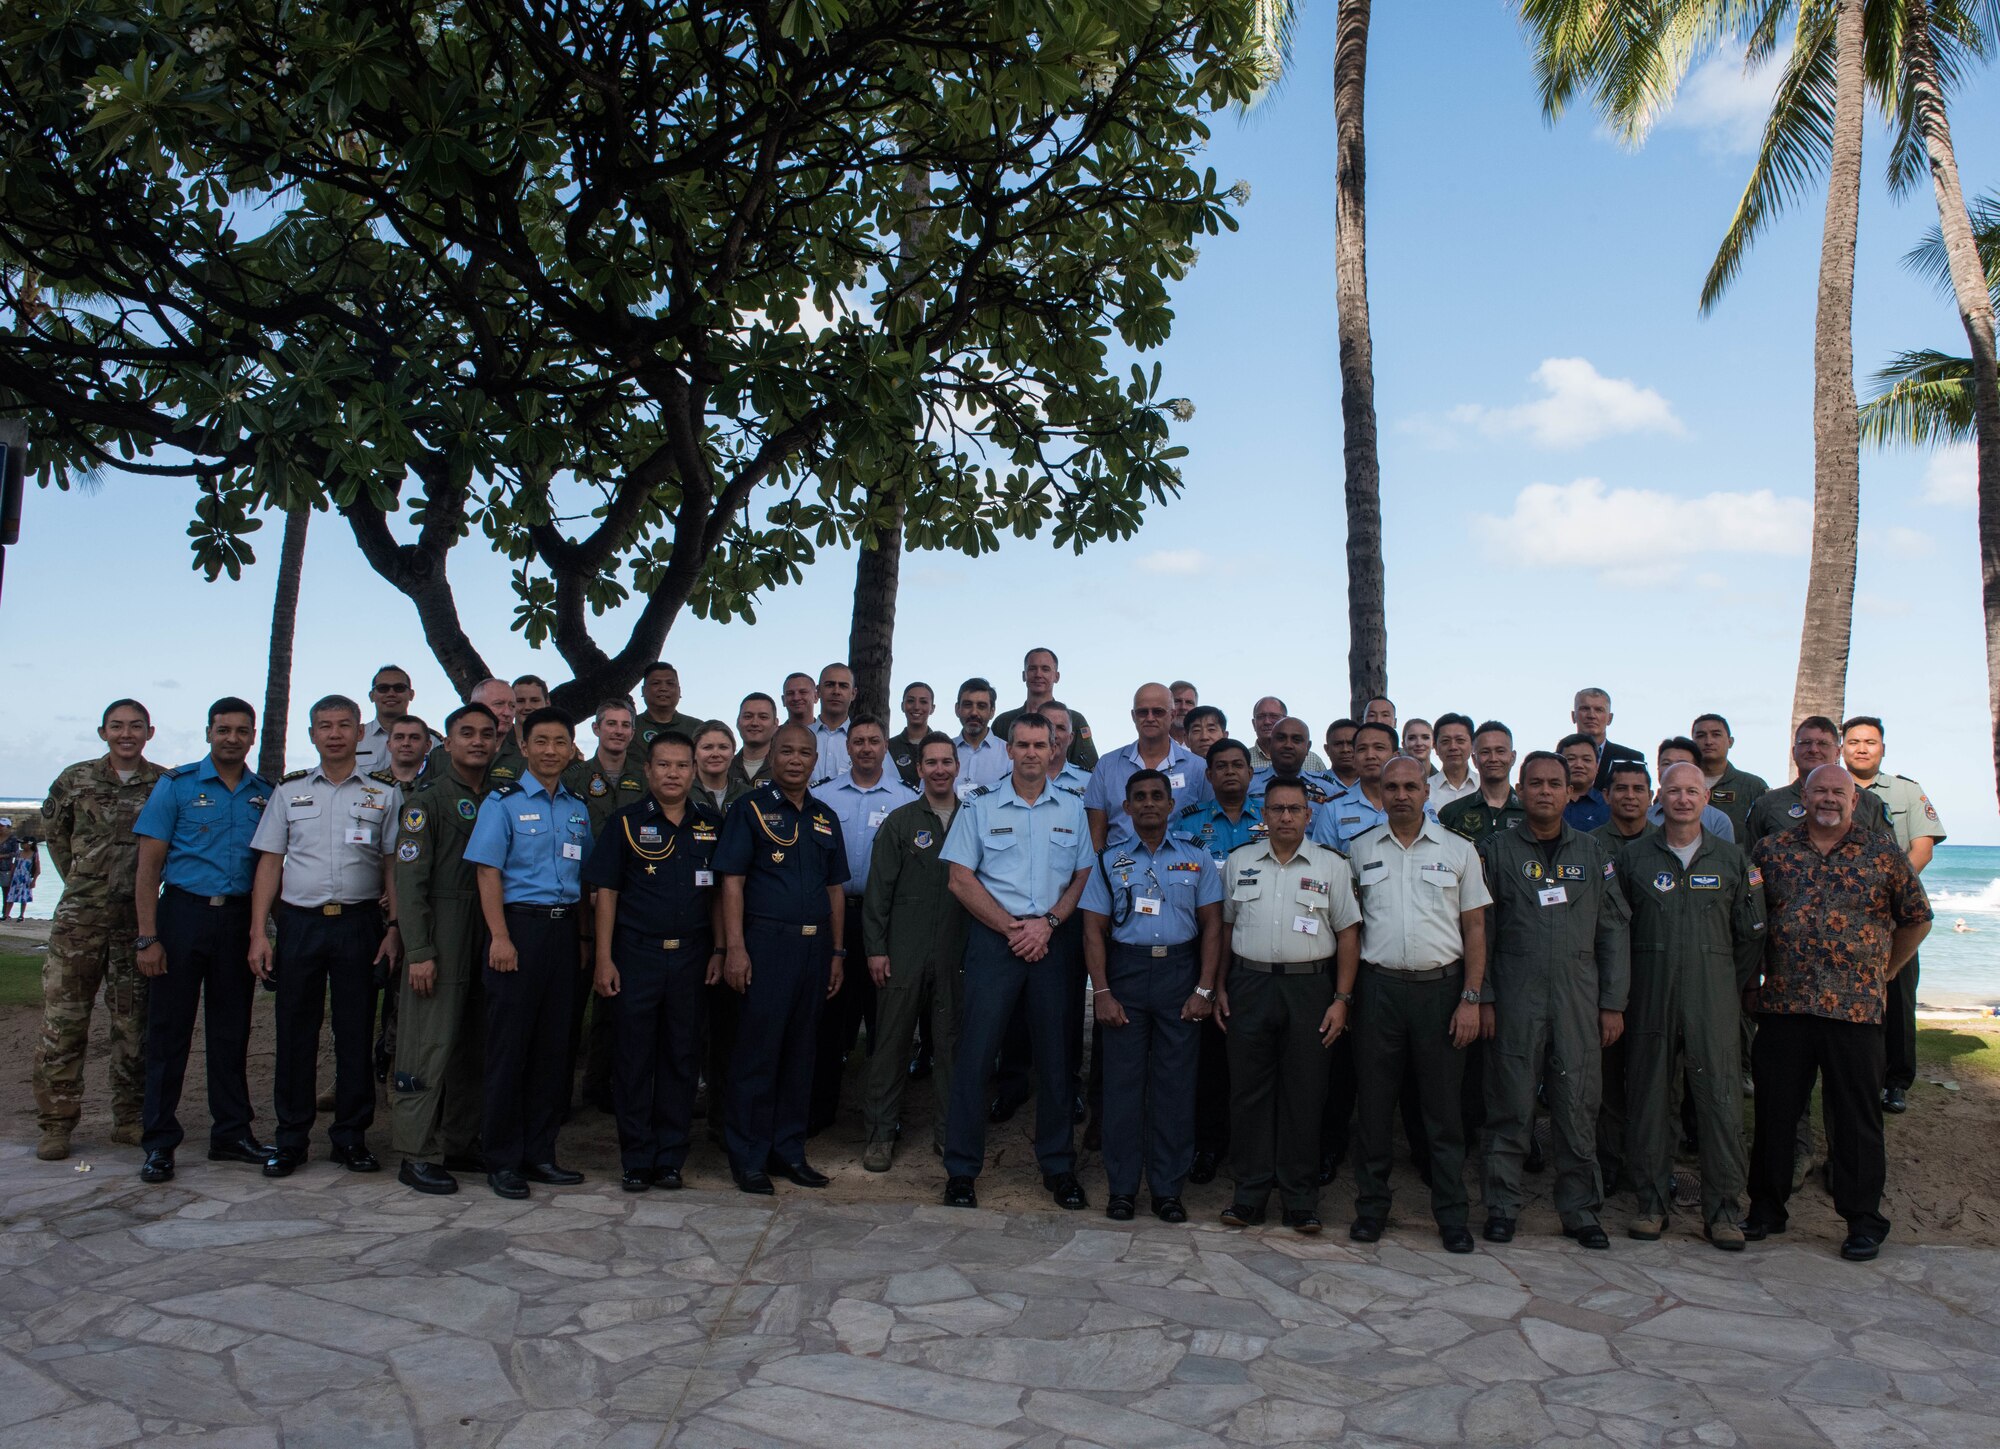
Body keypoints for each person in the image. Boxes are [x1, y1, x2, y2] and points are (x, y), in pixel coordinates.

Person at [1746, 764, 1932, 1261]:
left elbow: (1917, 919)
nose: (1828, 799)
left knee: (1856, 1119)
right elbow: (1749, 918)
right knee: (1776, 1112)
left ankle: (1862, 1220)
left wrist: (1887, 972)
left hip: (1855, 1010)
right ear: (1803, 796)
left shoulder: (1882, 853)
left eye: (1838, 792)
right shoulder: (1771, 851)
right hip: (1784, 1005)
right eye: (1819, 791)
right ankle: (1766, 1209)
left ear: (1854, 800)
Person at [938, 711, 1093, 1211]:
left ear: (1054, 750)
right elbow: (960, 878)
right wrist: (1012, 928)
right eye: (1021, 745)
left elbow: (1082, 876)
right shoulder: (979, 808)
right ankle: (961, 1170)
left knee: (1055, 1060)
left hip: (1051, 942)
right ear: (1008, 750)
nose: (1030, 753)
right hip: (995, 942)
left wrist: (1046, 925)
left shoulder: (1071, 808)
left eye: (1039, 745)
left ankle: (1058, 1166)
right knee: (977, 1055)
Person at [1479, 751, 1630, 1249]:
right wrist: (1484, 998)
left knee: (1577, 1106)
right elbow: (1482, 931)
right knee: (1510, 1105)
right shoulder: (1496, 851)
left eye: (1555, 784)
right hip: (1516, 997)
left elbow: (1613, 930)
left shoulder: (1592, 853)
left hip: (1578, 1001)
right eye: (1536, 783)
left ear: (1570, 792)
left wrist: (1612, 1003)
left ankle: (1581, 1210)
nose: (1545, 791)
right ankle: (1501, 1206)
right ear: (1520, 790)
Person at [249, 695, 404, 1178]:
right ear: (312, 734)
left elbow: (393, 863)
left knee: (355, 1034)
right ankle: (291, 1140)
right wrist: (259, 932)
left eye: (344, 725)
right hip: (300, 925)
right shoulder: (289, 791)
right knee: (295, 1033)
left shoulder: (384, 793)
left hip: (360, 925)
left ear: (361, 734)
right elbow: (270, 861)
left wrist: (394, 928)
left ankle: (350, 1138)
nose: (334, 733)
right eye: (324, 726)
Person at [1615, 762, 1766, 1249]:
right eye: (1674, 791)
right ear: (1661, 798)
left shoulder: (1733, 860)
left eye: (1692, 792)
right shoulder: (1635, 858)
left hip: (1713, 999)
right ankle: (1651, 1204)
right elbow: (1615, 932)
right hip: (1649, 997)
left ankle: (1723, 1211)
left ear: (1706, 799)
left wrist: (1723, 980)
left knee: (1720, 1103)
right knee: (1649, 1101)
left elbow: (1751, 937)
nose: (1683, 799)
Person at [1345, 756, 1491, 1254]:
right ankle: (1371, 1209)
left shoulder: (1458, 850)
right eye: (1392, 787)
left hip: (1441, 992)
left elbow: (1475, 928)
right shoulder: (1358, 850)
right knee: (1375, 1107)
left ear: (1427, 793)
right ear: (1380, 793)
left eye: (1411, 785)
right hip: (1378, 991)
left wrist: (1471, 998)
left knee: (1443, 1112)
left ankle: (1451, 1215)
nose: (1402, 794)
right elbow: (1350, 927)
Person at [131, 698, 273, 1184]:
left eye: (241, 730)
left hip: (236, 921)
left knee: (232, 1032)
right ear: (208, 732)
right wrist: (148, 937)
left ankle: (231, 1133)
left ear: (253, 736)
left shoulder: (264, 794)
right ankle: (159, 1142)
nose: (231, 737)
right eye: (223, 729)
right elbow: (149, 868)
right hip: (183, 915)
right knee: (168, 1034)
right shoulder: (177, 786)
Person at [1217, 777, 1360, 1235]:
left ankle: (1300, 1200)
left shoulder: (1332, 865)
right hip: (1249, 986)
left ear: (1308, 814)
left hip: (1309, 991)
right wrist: (1217, 986)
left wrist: (1342, 999)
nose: (1284, 817)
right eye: (1276, 809)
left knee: (1304, 1094)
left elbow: (1347, 935)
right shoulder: (1239, 862)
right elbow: (1224, 929)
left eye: (1293, 809)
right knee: (1248, 1094)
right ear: (1264, 812)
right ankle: (1250, 1196)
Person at [1080, 770, 1223, 1224]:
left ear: (1170, 805)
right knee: (1122, 1088)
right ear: (1126, 807)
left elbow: (1214, 926)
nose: (1147, 804)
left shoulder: (1196, 858)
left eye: (1156, 796)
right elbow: (1093, 930)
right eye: (1138, 797)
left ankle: (1167, 1190)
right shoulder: (1109, 860)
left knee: (1175, 1088)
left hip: (1179, 973)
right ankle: (1122, 1189)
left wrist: (1204, 987)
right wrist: (1101, 990)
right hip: (1125, 972)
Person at [584, 731, 724, 1192]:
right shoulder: (625, 823)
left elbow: (721, 897)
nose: (673, 773)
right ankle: (637, 1157)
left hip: (692, 957)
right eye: (664, 765)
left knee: (682, 1058)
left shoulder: (709, 824)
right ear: (648, 771)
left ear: (694, 770)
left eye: (682, 765)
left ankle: (670, 1156)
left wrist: (721, 950)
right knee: (634, 1059)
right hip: (636, 956)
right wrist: (604, 959)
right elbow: (606, 895)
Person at [715, 722, 849, 1194]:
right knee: (758, 1054)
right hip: (766, 945)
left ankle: (789, 1151)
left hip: (815, 950)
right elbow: (731, 882)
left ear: (816, 760)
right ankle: (748, 1157)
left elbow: (835, 888)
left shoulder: (825, 816)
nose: (796, 759)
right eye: (787, 751)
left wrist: (837, 950)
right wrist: (735, 948)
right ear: (772, 756)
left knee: (801, 1054)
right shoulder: (748, 810)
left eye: (805, 753)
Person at [466, 706, 593, 1198]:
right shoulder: (502, 803)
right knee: (508, 1050)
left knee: (552, 1051)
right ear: (524, 746)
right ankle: (501, 1159)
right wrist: (499, 937)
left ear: (571, 748)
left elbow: (582, 881)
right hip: (517, 931)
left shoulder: (577, 809)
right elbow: (487, 872)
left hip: (563, 936)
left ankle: (541, 1153)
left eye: (560, 742)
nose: (550, 751)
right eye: (541, 741)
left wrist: (583, 940)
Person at [32, 699, 162, 1160]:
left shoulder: (164, 783)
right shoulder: (75, 779)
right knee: (64, 1024)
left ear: (150, 731)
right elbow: (56, 837)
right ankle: (57, 1123)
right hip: (78, 924)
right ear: (103, 731)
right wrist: (84, 883)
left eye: (135, 726)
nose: (126, 733)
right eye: (117, 726)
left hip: (136, 925)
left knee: (134, 1027)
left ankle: (128, 1118)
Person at [389, 702, 500, 1195]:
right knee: (428, 1042)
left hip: (489, 926)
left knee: (474, 1043)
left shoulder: (500, 797)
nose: (477, 741)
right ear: (448, 743)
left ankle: (460, 1140)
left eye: (486, 734)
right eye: (467, 733)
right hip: (443, 929)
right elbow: (409, 884)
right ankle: (416, 1151)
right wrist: (420, 951)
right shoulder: (426, 802)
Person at [861, 732, 968, 1170]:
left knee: (951, 1045)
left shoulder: (973, 820)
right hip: (903, 950)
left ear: (957, 768)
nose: (939, 769)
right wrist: (875, 950)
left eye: (947, 761)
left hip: (955, 952)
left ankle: (949, 1133)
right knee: (890, 1045)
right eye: (931, 762)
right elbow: (877, 892)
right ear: (919, 769)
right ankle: (880, 1136)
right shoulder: (902, 822)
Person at [810, 714, 916, 1133]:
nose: (867, 748)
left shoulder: (906, 799)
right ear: (848, 747)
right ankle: (819, 1114)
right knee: (829, 1022)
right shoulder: (825, 797)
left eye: (874, 741)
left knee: (884, 1025)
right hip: (834, 919)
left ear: (885, 746)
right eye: (859, 741)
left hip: (885, 922)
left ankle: (881, 1120)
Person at [1840, 716, 1945, 1114]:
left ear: (1883, 747)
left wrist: (1887, 888)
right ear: (1842, 747)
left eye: (1870, 741)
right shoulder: (1827, 787)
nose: (1862, 748)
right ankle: (1853, 1071)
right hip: (1840, 915)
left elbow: (1923, 848)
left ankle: (1896, 1082)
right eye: (1854, 741)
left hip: (1893, 913)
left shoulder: (1905, 791)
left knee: (1898, 995)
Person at [1171, 738, 1264, 1183]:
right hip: (1201, 948)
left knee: (1253, 1056)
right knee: (1206, 1058)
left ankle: (1256, 1150)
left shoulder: (1273, 818)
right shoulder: (1188, 824)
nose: (1230, 772)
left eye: (1238, 765)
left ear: (1251, 772)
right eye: (1221, 766)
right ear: (1207, 776)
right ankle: (1207, 1145)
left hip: (1255, 950)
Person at [1085, 683, 1208, 850]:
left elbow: (1209, 823)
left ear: (1172, 715)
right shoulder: (1107, 765)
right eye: (1143, 712)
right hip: (1120, 869)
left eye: (1158, 712)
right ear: (1133, 716)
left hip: (1182, 869)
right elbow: (1096, 835)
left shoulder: (1198, 768)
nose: (1150, 718)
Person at [1742, 716, 1889, 848]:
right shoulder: (1768, 804)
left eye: (1823, 743)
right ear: (1793, 752)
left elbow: (1889, 859)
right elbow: (1750, 863)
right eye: (1805, 743)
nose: (1813, 749)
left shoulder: (1869, 803)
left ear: (1838, 752)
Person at [993, 647, 1099, 769]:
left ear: (1057, 676)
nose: (1038, 674)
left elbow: (1090, 766)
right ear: (1024, 675)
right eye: (1032, 669)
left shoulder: (1074, 720)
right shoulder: (1003, 722)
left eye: (1045, 669)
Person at [1248, 716, 1344, 847]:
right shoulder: (1248, 784)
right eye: (1281, 738)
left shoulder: (1328, 789)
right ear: (1270, 744)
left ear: (1308, 747)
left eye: (1296, 740)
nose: (1288, 745)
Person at [566, 700, 646, 834]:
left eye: (625, 725)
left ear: (632, 733)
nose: (619, 731)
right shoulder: (573, 778)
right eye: (611, 724)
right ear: (596, 728)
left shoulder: (646, 777)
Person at [1439, 720, 1525, 843]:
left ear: (1512, 757)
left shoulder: (1530, 812)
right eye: (1485, 752)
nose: (1493, 758)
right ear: (1474, 759)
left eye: (1500, 751)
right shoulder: (1451, 813)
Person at [1324, 721, 1400, 849]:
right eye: (1362, 749)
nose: (1370, 755)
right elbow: (1323, 863)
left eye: (1379, 748)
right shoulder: (1333, 809)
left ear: (1395, 756)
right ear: (1354, 758)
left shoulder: (1418, 803)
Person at [1692, 713, 1769, 838]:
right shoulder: (1679, 784)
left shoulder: (1753, 786)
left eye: (1716, 735)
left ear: (1730, 741)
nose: (1708, 741)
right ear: (1692, 742)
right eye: (1701, 736)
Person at [1645, 737, 1736, 840]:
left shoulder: (1717, 821)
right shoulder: (1644, 818)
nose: (1673, 769)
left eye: (1682, 763)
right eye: (1666, 763)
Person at [354, 664, 426, 775]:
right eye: (383, 688)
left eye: (399, 688)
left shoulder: (431, 740)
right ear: (371, 696)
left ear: (411, 695)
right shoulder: (355, 739)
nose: (391, 694)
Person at [1572, 687, 1644, 791]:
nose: (1591, 715)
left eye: (1599, 710)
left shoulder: (1631, 758)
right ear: (1573, 716)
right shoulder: (1558, 759)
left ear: (1610, 718)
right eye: (1585, 709)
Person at [951, 678, 1009, 798]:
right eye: (968, 705)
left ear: (992, 711)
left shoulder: (1008, 755)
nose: (974, 712)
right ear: (957, 709)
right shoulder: (944, 752)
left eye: (981, 706)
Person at [635, 662, 707, 754]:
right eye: (656, 683)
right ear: (643, 690)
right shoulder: (629, 727)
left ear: (679, 691)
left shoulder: (697, 728)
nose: (663, 688)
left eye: (670, 683)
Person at [1249, 696, 1329, 773]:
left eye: (1274, 716)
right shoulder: (1244, 760)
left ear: (1286, 720)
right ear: (1253, 724)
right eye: (1261, 717)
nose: (1267, 722)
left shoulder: (1313, 760)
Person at [810, 662, 856, 780]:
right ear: (818, 691)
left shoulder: (868, 742)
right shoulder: (800, 737)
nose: (836, 691)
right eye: (830, 685)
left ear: (853, 694)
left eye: (843, 686)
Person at [1594, 760, 1654, 846]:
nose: (1630, 796)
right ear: (1606, 796)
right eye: (1621, 788)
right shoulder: (1590, 844)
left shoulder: (1668, 841)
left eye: (1638, 789)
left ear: (1650, 796)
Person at [1558, 733, 1610, 833]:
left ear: (1597, 766)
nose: (1579, 765)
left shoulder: (1608, 806)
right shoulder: (1546, 800)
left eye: (1586, 760)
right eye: (1571, 759)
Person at [888, 682, 936, 788]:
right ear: (902, 706)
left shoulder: (941, 746)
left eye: (923, 702)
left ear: (932, 708)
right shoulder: (889, 747)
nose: (916, 707)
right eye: (910, 701)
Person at [1428, 713, 1479, 810]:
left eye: (1460, 740)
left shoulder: (1484, 786)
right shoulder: (1424, 790)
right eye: (1445, 741)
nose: (1453, 747)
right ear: (1435, 747)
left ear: (1473, 745)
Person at [731, 693, 780, 792]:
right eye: (748, 716)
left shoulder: (785, 768)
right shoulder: (725, 768)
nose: (754, 723)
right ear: (738, 722)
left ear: (776, 724)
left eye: (763, 717)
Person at [693, 722, 745, 813]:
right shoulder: (682, 794)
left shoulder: (748, 795)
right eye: (707, 747)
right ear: (694, 753)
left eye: (723, 747)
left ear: (733, 752)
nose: (715, 754)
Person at [382, 717, 433, 785]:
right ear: (389, 745)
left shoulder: (440, 783)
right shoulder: (372, 784)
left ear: (428, 745)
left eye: (414, 738)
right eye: (399, 737)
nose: (406, 743)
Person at [1324, 718, 1359, 789]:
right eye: (1338, 744)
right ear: (1327, 749)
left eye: (1351, 743)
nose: (1345, 749)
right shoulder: (1310, 783)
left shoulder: (1377, 784)